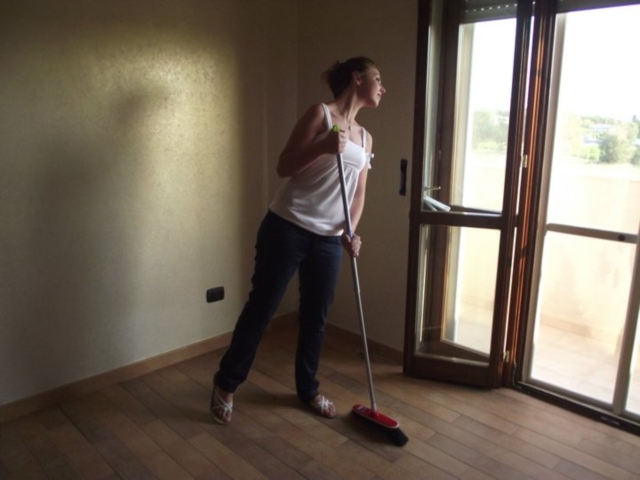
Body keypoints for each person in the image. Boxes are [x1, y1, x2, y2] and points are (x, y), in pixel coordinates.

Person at [210, 56, 386, 425]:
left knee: (315, 318)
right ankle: (226, 383)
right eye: (377, 78)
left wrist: (350, 231)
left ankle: (308, 389)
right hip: (287, 227)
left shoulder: (365, 137)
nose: (382, 87)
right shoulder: (320, 114)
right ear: (357, 78)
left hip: (329, 240)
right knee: (262, 309)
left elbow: (358, 195)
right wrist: (322, 147)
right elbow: (284, 166)